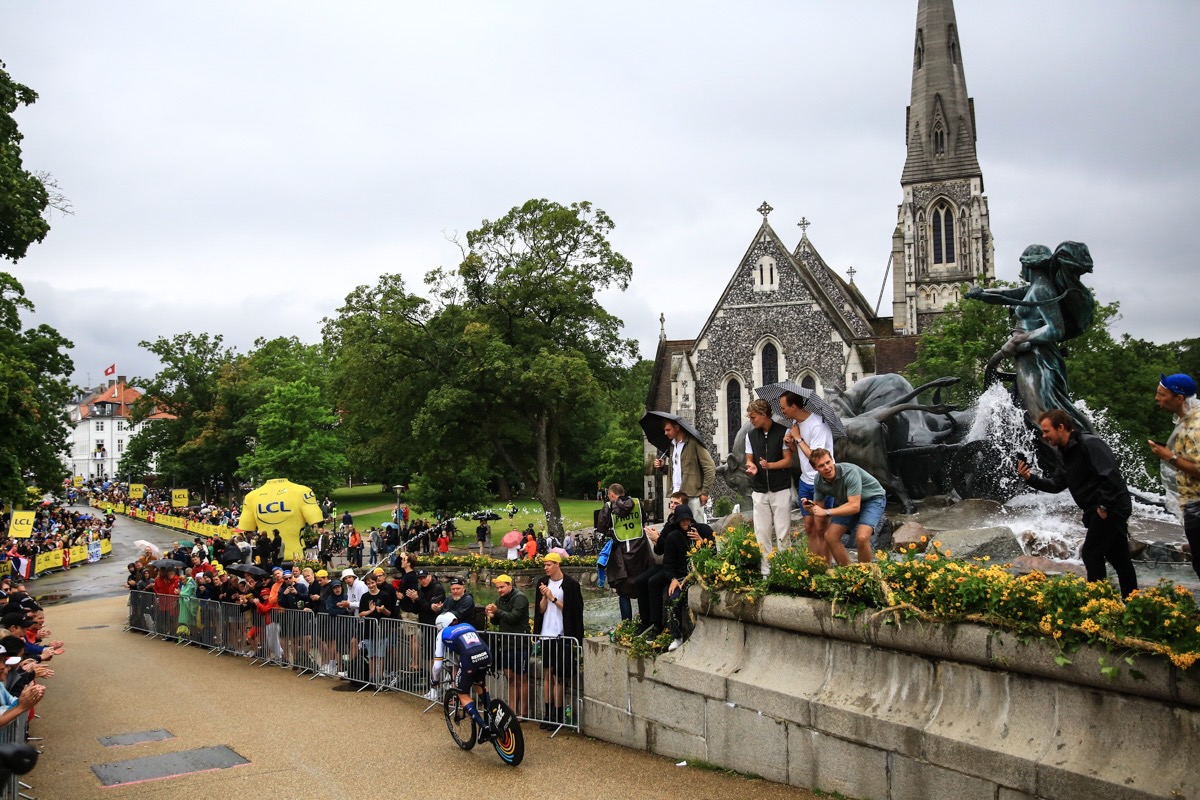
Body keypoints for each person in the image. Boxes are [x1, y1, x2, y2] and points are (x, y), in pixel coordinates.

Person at [966, 242, 1096, 433]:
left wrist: (1019, 339)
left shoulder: (1042, 290)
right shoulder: (1033, 289)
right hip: (1028, 359)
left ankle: (1075, 448)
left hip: (1040, 361)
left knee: (1041, 417)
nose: (1021, 270)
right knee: (1031, 415)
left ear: (1029, 266)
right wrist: (982, 294)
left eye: (1022, 265)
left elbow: (1055, 330)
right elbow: (1006, 295)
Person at [1018, 409, 1138, 598]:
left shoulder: (1090, 444)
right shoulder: (1064, 453)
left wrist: (1103, 507)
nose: (1044, 436)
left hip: (1110, 507)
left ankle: (1098, 603)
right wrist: (1030, 478)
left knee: (1091, 554)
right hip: (1097, 510)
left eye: (1047, 431)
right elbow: (1057, 485)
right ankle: (1131, 603)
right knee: (1119, 559)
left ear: (1061, 427)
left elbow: (1111, 477)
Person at [638, 498, 714, 648]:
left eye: (688, 520)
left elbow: (715, 552)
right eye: (682, 521)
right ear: (678, 522)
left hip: (703, 574)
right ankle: (676, 636)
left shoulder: (703, 530)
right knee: (673, 599)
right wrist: (672, 579)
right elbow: (668, 564)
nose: (685, 524)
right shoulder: (673, 537)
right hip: (681, 577)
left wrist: (701, 541)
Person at [1150, 373, 1200, 581]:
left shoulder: (1196, 427)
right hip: (1191, 503)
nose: (1157, 398)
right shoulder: (1185, 419)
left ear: (1179, 398)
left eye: (1162, 394)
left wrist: (1168, 457)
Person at [778, 390, 836, 559]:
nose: (782, 412)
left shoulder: (817, 425)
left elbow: (816, 457)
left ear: (794, 406)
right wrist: (791, 444)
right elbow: (803, 454)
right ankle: (812, 564)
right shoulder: (797, 423)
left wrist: (797, 438)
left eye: (783, 408)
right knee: (809, 526)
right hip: (805, 481)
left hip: (823, 481)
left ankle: (825, 565)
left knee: (821, 527)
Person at [426, 612, 498, 744]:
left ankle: (484, 726)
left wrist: (434, 680)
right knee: (480, 684)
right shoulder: (467, 625)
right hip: (487, 655)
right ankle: (491, 718)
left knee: (461, 692)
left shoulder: (442, 634)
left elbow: (437, 665)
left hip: (470, 659)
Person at [809, 448, 888, 566]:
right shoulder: (818, 480)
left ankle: (864, 575)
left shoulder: (849, 472)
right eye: (821, 466)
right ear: (815, 468)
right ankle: (847, 573)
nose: (827, 467)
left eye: (828, 462)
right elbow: (818, 507)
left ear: (832, 460)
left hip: (872, 499)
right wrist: (810, 508)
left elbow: (854, 507)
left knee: (861, 537)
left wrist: (826, 512)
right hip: (848, 501)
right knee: (830, 537)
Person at [533, 551, 583, 730]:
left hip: (563, 635)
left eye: (548, 564)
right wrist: (545, 597)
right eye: (544, 565)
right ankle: (547, 713)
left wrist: (553, 598)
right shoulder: (542, 583)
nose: (545, 568)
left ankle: (558, 712)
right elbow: (539, 610)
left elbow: (572, 610)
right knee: (547, 674)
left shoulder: (570, 584)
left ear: (557, 565)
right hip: (546, 633)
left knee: (558, 677)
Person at [744, 398, 794, 574]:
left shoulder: (783, 432)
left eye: (753, 417)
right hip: (759, 491)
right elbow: (749, 459)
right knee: (761, 534)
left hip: (780, 489)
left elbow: (788, 461)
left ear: (763, 415)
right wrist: (752, 466)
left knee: (783, 532)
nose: (751, 420)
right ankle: (766, 573)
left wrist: (769, 466)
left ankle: (785, 571)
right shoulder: (750, 435)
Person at [653, 417, 717, 522]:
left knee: (695, 526)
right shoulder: (672, 446)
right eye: (665, 430)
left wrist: (705, 492)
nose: (665, 433)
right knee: (678, 528)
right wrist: (663, 467)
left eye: (668, 430)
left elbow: (710, 468)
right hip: (676, 495)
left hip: (692, 495)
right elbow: (677, 469)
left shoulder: (693, 443)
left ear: (677, 427)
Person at [485, 574, 530, 717]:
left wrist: (497, 611)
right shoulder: (499, 600)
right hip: (506, 644)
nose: (499, 590)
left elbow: (514, 617)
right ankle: (512, 710)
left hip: (519, 644)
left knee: (520, 677)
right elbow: (498, 622)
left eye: (502, 587)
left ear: (510, 585)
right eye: (498, 588)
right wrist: (492, 616)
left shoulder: (520, 598)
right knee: (509, 676)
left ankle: (523, 711)